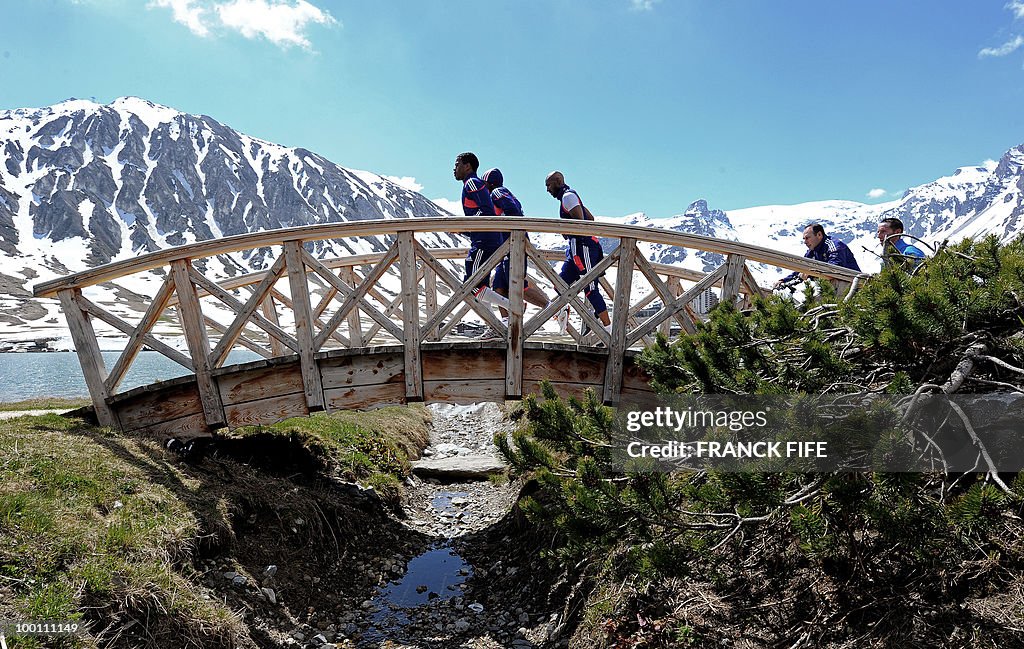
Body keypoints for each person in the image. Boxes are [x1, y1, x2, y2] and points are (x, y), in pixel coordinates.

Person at [545, 170, 611, 331]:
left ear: (558, 181)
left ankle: (609, 330)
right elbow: (591, 218)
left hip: (584, 248)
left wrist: (566, 231)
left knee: (591, 289)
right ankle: (574, 312)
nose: (547, 189)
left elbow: (581, 224)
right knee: (560, 284)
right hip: (575, 250)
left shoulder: (568, 197)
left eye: (548, 185)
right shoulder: (570, 196)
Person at [481, 167, 551, 312]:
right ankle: (505, 324)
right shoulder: (504, 193)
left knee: (516, 282)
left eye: (484, 184)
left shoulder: (497, 192)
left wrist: (506, 227)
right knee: (499, 285)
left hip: (513, 244)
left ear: (491, 184)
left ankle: (551, 307)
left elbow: (514, 212)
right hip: (507, 246)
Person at [453, 152, 510, 312]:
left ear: (467, 166)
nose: (454, 168)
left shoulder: (471, 183)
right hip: (485, 239)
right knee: (479, 286)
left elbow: (486, 211)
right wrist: (464, 230)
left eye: (457, 164)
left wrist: (467, 225)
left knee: (472, 284)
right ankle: (493, 326)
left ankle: (512, 306)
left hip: (484, 241)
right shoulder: (472, 184)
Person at [773, 223, 861, 289]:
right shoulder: (812, 251)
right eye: (804, 239)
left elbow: (834, 270)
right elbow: (801, 268)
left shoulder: (834, 246)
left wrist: (811, 274)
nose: (805, 242)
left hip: (851, 284)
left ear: (819, 235)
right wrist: (784, 280)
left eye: (807, 238)